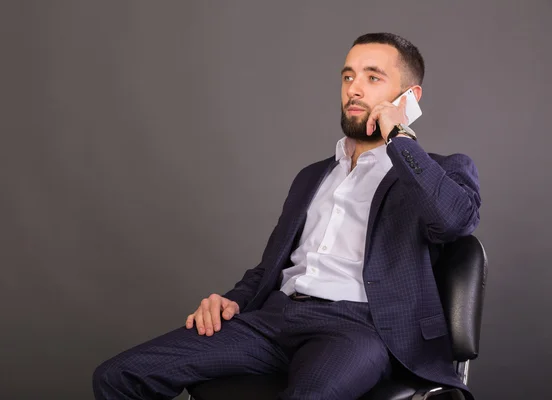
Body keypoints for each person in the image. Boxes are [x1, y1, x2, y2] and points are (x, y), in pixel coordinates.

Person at [92, 32, 481, 400]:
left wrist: (400, 137)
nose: (354, 89)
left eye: (372, 77)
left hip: (360, 328)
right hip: (275, 319)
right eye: (348, 76)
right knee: (120, 376)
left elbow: (453, 222)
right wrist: (229, 301)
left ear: (410, 97)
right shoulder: (312, 176)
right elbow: (269, 269)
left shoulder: (441, 171)